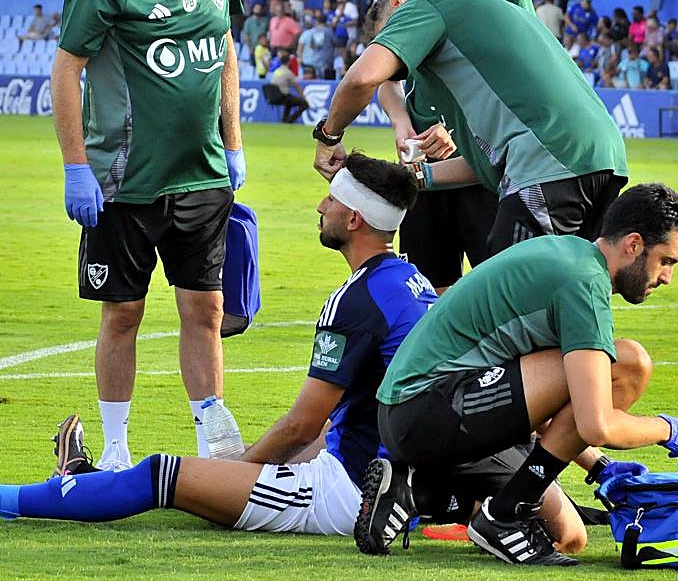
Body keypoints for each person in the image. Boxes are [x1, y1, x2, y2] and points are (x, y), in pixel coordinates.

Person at [1, 154, 593, 552]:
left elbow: (303, 422)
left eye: (330, 200)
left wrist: (244, 468)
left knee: (164, 476)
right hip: (404, 464)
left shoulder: (358, 299)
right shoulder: (411, 281)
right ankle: (86, 483)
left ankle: (15, 500)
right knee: (211, 476)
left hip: (348, 490)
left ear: (354, 217)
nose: (320, 208)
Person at [355, 183, 678, 566]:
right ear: (634, 245)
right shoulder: (583, 283)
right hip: (427, 410)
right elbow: (596, 423)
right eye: (666, 261)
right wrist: (669, 429)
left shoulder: (572, 256)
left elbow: (546, 401)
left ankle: (416, 493)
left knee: (568, 535)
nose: (666, 277)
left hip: (429, 413)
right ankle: (501, 517)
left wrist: (600, 467)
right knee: (628, 363)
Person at [49, 0, 246, 472]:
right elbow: (66, 70)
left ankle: (212, 438)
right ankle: (113, 447)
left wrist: (233, 143)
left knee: (206, 311)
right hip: (125, 183)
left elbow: (227, 49)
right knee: (124, 313)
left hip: (204, 176)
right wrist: (75, 165)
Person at [313, 0, 628, 256]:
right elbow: (484, 164)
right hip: (602, 158)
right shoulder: (478, 55)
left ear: (398, 5)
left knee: (513, 299)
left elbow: (361, 79)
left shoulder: (428, 2)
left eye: (390, 40)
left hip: (550, 161)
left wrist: (329, 137)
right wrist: (414, 178)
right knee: (571, 293)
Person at [357, 0, 534, 292]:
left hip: (487, 163)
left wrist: (465, 126)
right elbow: (385, 73)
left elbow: (529, 69)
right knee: (430, 295)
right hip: (421, 165)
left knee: (503, 294)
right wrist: (401, 124)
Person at [268, 50, 310, 123]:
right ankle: (290, 120)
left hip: (272, 96)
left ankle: (284, 120)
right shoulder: (288, 73)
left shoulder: (276, 71)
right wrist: (304, 99)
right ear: (289, 62)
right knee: (304, 104)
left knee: (289, 102)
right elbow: (297, 88)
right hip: (282, 96)